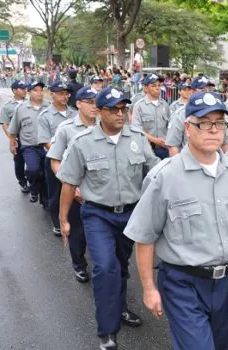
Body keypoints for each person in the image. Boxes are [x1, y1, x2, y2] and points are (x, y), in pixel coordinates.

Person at [124, 91, 228, 350]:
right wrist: (149, 288)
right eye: (205, 122)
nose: (213, 130)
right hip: (182, 283)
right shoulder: (164, 177)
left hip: (227, 281)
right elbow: (145, 236)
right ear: (188, 128)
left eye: (219, 123)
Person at [56, 87, 160, 350]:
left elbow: (157, 171)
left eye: (123, 108)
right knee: (104, 268)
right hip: (97, 214)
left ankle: (121, 307)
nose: (119, 114)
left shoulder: (137, 138)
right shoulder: (82, 142)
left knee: (121, 266)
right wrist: (64, 219)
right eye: (112, 109)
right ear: (99, 112)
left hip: (131, 215)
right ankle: (108, 332)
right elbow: (69, 183)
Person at [46, 86, 98, 283]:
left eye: (96, 102)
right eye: (90, 102)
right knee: (78, 231)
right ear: (78, 104)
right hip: (77, 190)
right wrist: (70, 184)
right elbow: (55, 160)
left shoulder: (105, 126)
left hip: (100, 191)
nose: (94, 107)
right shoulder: (66, 129)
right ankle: (79, 264)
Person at [38, 81, 77, 236]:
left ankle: (73, 219)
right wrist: (59, 155)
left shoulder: (75, 114)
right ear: (52, 94)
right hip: (55, 159)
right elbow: (45, 141)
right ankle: (57, 222)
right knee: (56, 192)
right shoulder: (45, 116)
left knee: (75, 192)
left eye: (66, 93)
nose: (64, 96)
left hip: (75, 161)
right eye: (60, 93)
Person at [7, 81, 50, 203]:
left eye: (41, 90)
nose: (40, 93)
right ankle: (34, 189)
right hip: (29, 146)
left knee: (48, 174)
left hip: (48, 146)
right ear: (30, 92)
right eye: (36, 90)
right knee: (33, 169)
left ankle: (44, 199)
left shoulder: (49, 107)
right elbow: (13, 129)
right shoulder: (21, 109)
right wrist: (12, 144)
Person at [166, 76, 228, 156]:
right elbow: (173, 146)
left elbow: (225, 143)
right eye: (203, 90)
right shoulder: (180, 115)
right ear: (192, 92)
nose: (207, 93)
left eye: (209, 90)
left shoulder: (219, 114)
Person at [0, 80, 29, 193]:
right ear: (14, 91)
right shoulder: (7, 107)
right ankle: (22, 182)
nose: (25, 91)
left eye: (25, 88)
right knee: (19, 162)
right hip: (18, 139)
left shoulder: (31, 103)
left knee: (34, 164)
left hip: (31, 137)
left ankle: (35, 182)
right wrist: (11, 138)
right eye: (22, 89)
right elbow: (5, 123)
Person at [131, 74, 171, 160]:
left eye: (159, 85)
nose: (157, 88)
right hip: (146, 149)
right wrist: (154, 140)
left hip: (164, 149)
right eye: (153, 86)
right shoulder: (139, 106)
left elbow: (169, 126)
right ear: (146, 88)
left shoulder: (165, 105)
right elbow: (136, 129)